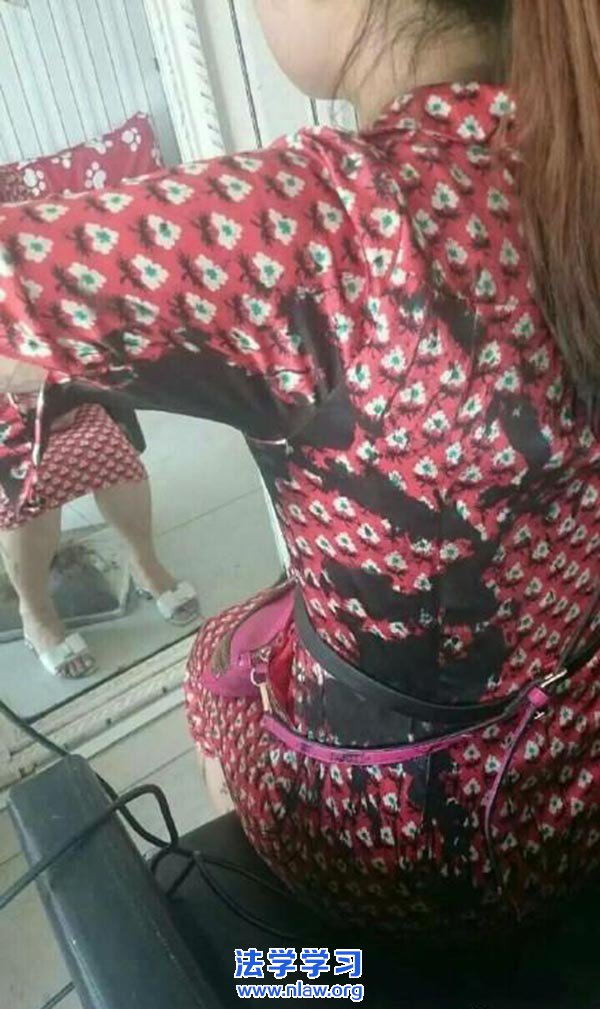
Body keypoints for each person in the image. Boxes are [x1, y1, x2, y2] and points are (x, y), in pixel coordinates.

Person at [0, 0, 598, 933]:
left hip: (397, 845)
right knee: (257, 630)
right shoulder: (571, 149)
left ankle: (299, 977)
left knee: (215, 671)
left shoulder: (328, 223)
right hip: (573, 766)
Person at [0, 377, 199, 679]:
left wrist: (54, 389)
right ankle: (36, 613)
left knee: (111, 452)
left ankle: (145, 564)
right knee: (26, 490)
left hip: (49, 387)